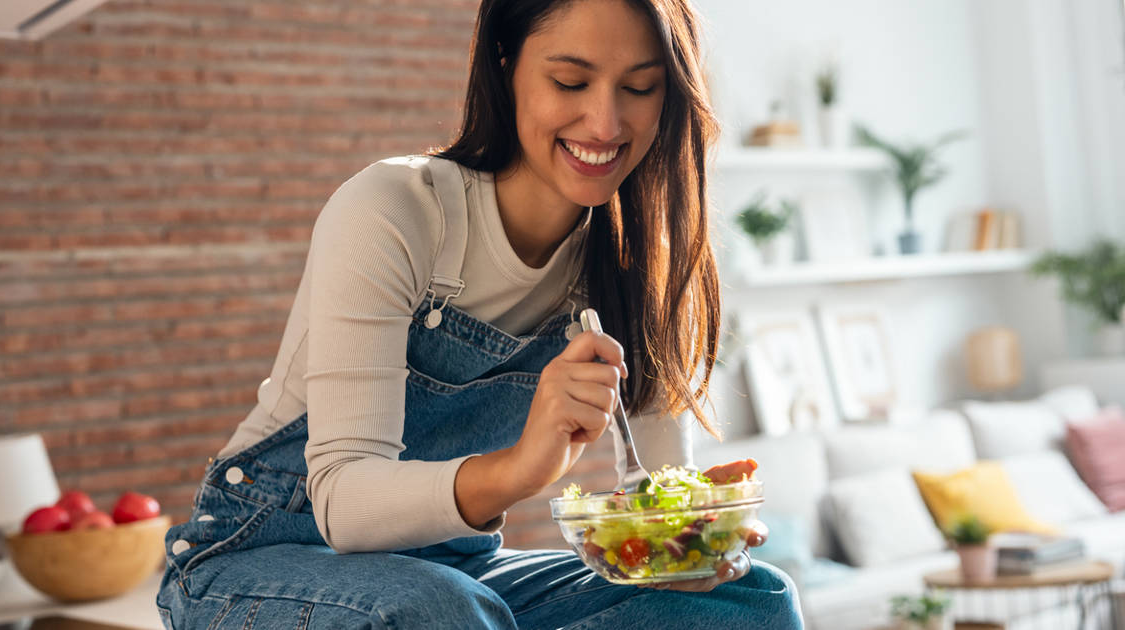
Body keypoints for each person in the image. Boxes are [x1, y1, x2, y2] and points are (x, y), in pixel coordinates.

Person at [156, 0, 803, 627]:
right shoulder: (396, 209)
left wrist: (689, 543)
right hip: (259, 562)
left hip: (453, 577)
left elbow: (662, 502)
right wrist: (522, 468)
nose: (605, 122)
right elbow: (344, 506)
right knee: (439, 609)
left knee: (751, 599)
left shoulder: (634, 260)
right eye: (570, 80)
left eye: (639, 87)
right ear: (504, 63)